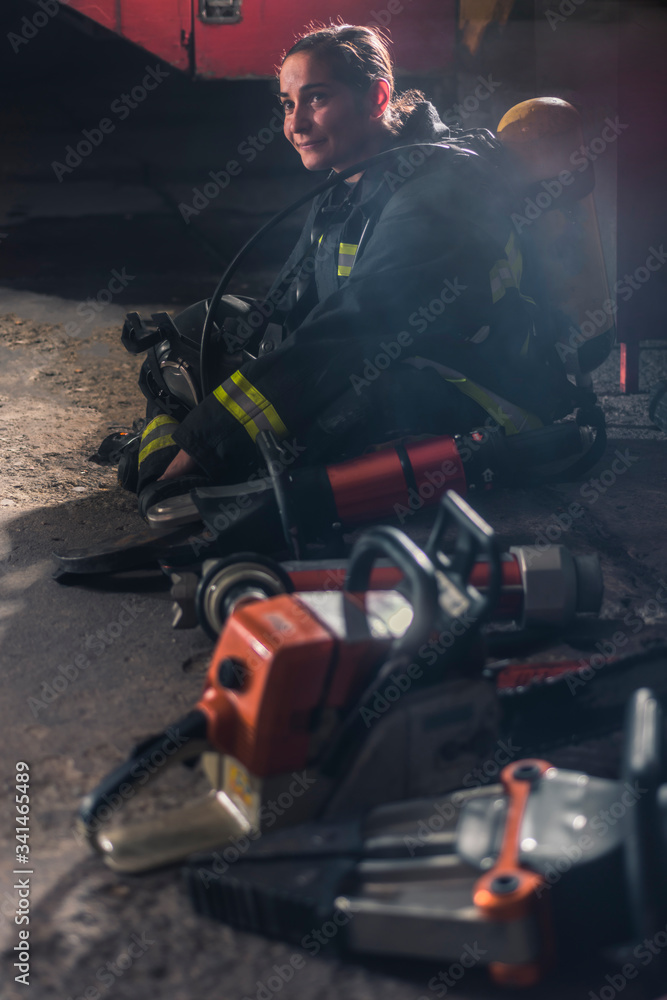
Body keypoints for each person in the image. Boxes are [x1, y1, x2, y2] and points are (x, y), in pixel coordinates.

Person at [135, 23, 578, 502]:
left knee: (345, 399)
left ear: (377, 98)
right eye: (288, 103)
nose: (296, 124)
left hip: (478, 392)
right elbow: (290, 313)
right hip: (384, 360)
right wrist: (220, 393)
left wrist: (212, 436)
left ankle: (220, 485)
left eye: (317, 98)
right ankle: (165, 476)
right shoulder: (344, 185)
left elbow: (353, 329)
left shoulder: (436, 193)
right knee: (200, 327)